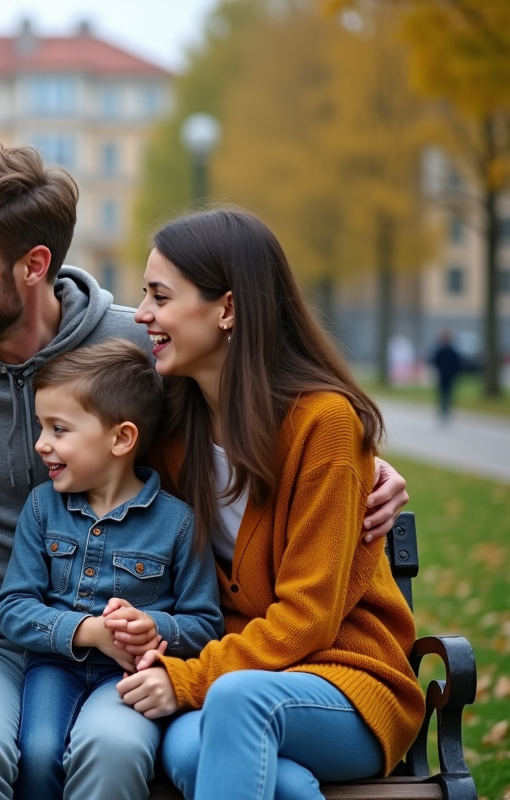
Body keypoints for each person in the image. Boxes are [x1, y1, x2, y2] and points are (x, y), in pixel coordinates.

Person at [0, 144, 411, 800]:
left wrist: (365, 465)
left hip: (208, 659)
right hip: (5, 639)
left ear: (34, 265)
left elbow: (296, 420)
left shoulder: (140, 358)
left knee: (142, 740)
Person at [116, 208, 425, 800]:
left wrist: (188, 679)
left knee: (233, 704)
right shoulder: (172, 433)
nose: (142, 314)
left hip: (347, 683)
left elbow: (309, 616)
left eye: (160, 295)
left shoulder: (324, 425)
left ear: (227, 309)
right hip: (242, 683)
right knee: (190, 747)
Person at [0, 339, 223, 800]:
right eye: (41, 426)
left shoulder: (177, 523)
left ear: (121, 439)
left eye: (59, 429)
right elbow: (13, 606)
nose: (42, 444)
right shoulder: (43, 509)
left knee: (109, 747)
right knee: (38, 751)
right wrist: (86, 630)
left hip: (132, 676)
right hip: (54, 666)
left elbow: (206, 624)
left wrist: (153, 626)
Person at [430, 328, 462, 420]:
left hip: (450, 376)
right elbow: (436, 361)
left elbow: (457, 363)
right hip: (443, 375)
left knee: (448, 393)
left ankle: (446, 408)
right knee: (442, 393)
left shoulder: (452, 351)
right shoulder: (441, 350)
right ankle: (443, 408)